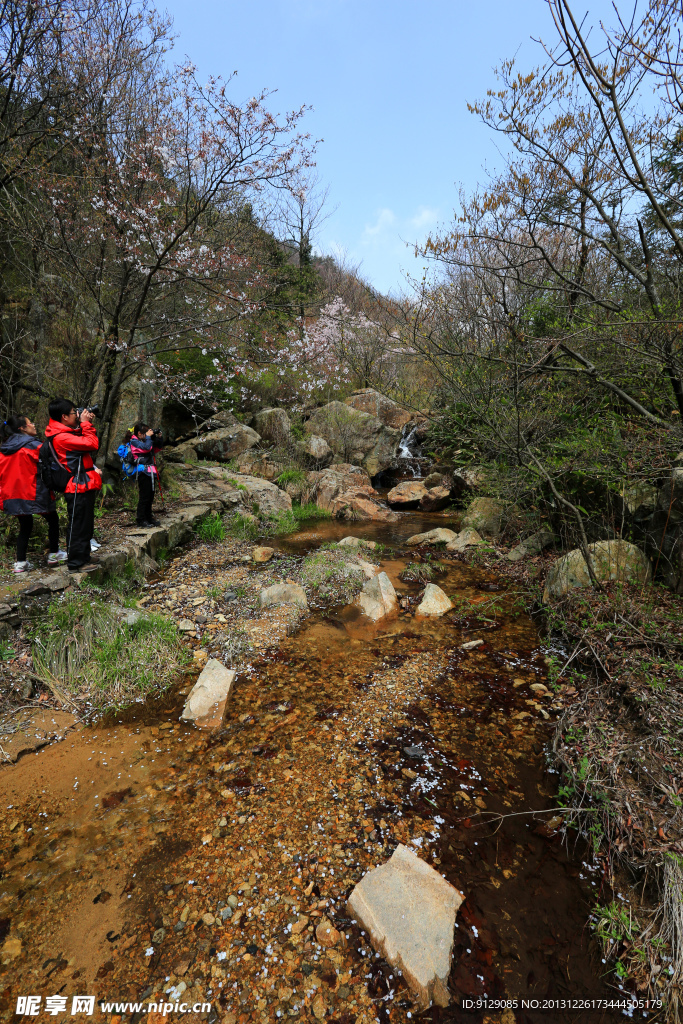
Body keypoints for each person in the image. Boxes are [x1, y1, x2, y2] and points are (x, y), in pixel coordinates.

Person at [0, 414, 67, 573]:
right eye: (31, 423)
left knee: (25, 525)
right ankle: (54, 553)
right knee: (52, 519)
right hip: (34, 493)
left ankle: (21, 562)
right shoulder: (35, 446)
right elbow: (52, 463)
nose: (34, 425)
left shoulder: (3, 448)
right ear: (22, 428)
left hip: (12, 495)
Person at [44, 398, 102, 572]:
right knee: (78, 525)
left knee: (85, 523)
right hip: (76, 486)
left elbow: (83, 439)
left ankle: (84, 556)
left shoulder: (65, 432)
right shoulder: (61, 437)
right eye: (73, 412)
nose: (76, 414)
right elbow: (91, 444)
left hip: (83, 483)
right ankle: (76, 563)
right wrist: (85, 424)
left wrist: (86, 423)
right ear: (63, 417)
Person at [117, 423, 163, 527]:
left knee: (150, 496)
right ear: (139, 433)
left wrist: (159, 438)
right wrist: (148, 437)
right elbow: (147, 448)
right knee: (144, 497)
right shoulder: (134, 442)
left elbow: (157, 448)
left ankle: (149, 518)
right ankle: (141, 519)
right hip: (142, 472)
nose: (147, 434)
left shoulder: (144, 440)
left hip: (151, 471)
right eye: (145, 432)